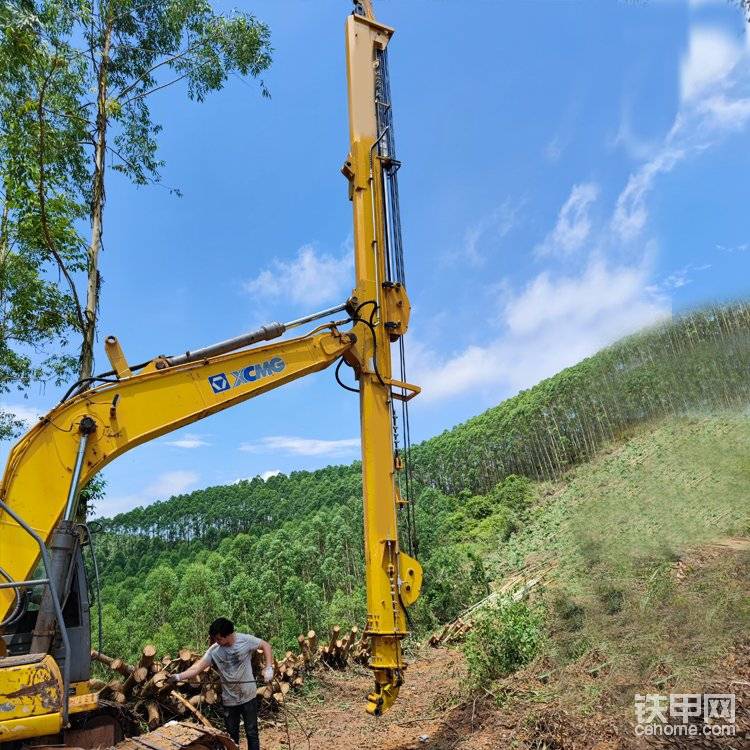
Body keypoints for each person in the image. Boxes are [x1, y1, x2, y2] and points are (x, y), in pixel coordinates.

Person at [166, 617, 274, 750]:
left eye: (219, 639)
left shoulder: (245, 640)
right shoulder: (215, 650)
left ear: (229, 634)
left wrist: (269, 667)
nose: (217, 642)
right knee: (231, 737)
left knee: (252, 733)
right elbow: (196, 668)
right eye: (215, 639)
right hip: (230, 700)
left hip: (248, 696)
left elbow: (266, 645)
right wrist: (177, 676)